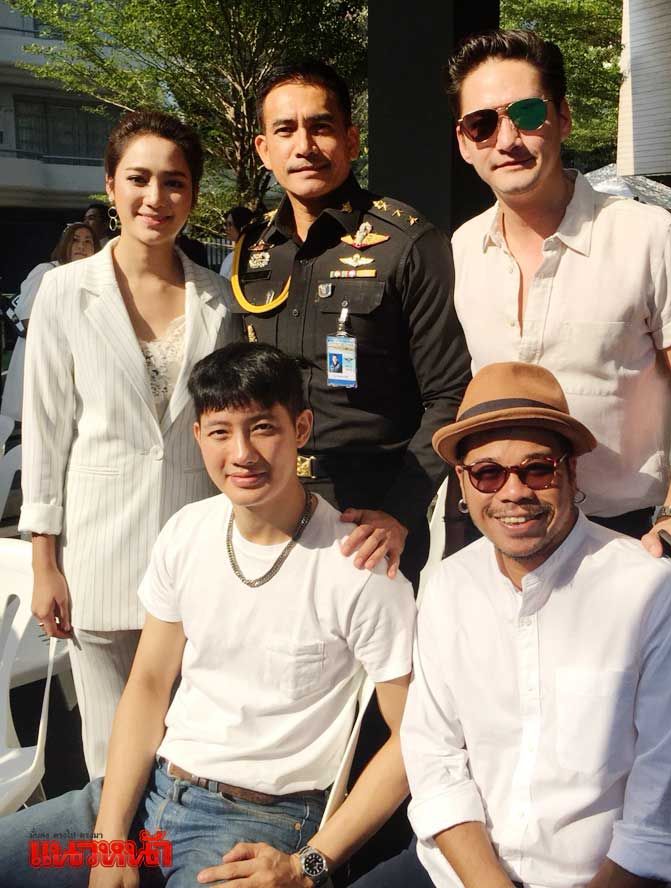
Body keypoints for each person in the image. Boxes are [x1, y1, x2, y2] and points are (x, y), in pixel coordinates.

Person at [0, 342, 415, 888]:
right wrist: (110, 839)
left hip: (258, 824)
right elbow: (149, 685)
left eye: (262, 428)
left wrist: (308, 866)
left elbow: (414, 739)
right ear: (198, 436)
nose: (242, 453)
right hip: (145, 796)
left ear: (301, 428)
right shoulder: (187, 532)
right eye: (221, 431)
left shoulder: (360, 567)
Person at [354, 361, 671, 888]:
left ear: (572, 472)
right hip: (461, 872)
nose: (513, 492)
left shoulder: (655, 594)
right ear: (462, 483)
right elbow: (434, 759)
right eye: (487, 473)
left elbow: (665, 820)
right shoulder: (449, 587)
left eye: (537, 469)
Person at [445, 30, 671, 596]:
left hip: (627, 532)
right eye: (483, 124)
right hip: (504, 527)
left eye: (527, 114)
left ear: (563, 118)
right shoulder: (462, 249)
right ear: (465, 141)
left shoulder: (648, 237)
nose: (508, 139)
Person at [20, 110, 235, 780]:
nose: (155, 197)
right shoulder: (65, 291)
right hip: (97, 556)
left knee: (189, 757)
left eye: (174, 182)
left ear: (192, 194)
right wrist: (45, 563)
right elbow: (46, 428)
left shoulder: (218, 299)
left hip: (197, 561)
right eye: (138, 179)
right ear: (111, 186)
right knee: (110, 759)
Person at [231, 59, 470, 589]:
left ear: (352, 139)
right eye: (285, 130)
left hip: (369, 518)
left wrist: (401, 510)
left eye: (320, 126)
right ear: (263, 149)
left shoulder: (409, 244)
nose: (304, 146)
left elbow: (450, 393)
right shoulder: (252, 253)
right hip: (268, 506)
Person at [0, 222, 99, 421]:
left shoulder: (94, 279)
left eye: (88, 241)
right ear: (65, 244)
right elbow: (27, 320)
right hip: (42, 360)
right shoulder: (47, 271)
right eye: (75, 240)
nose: (81, 246)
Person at [219, 205, 255, 278]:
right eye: (226, 224)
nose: (227, 228)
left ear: (242, 226)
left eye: (230, 224)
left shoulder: (252, 255)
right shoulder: (231, 257)